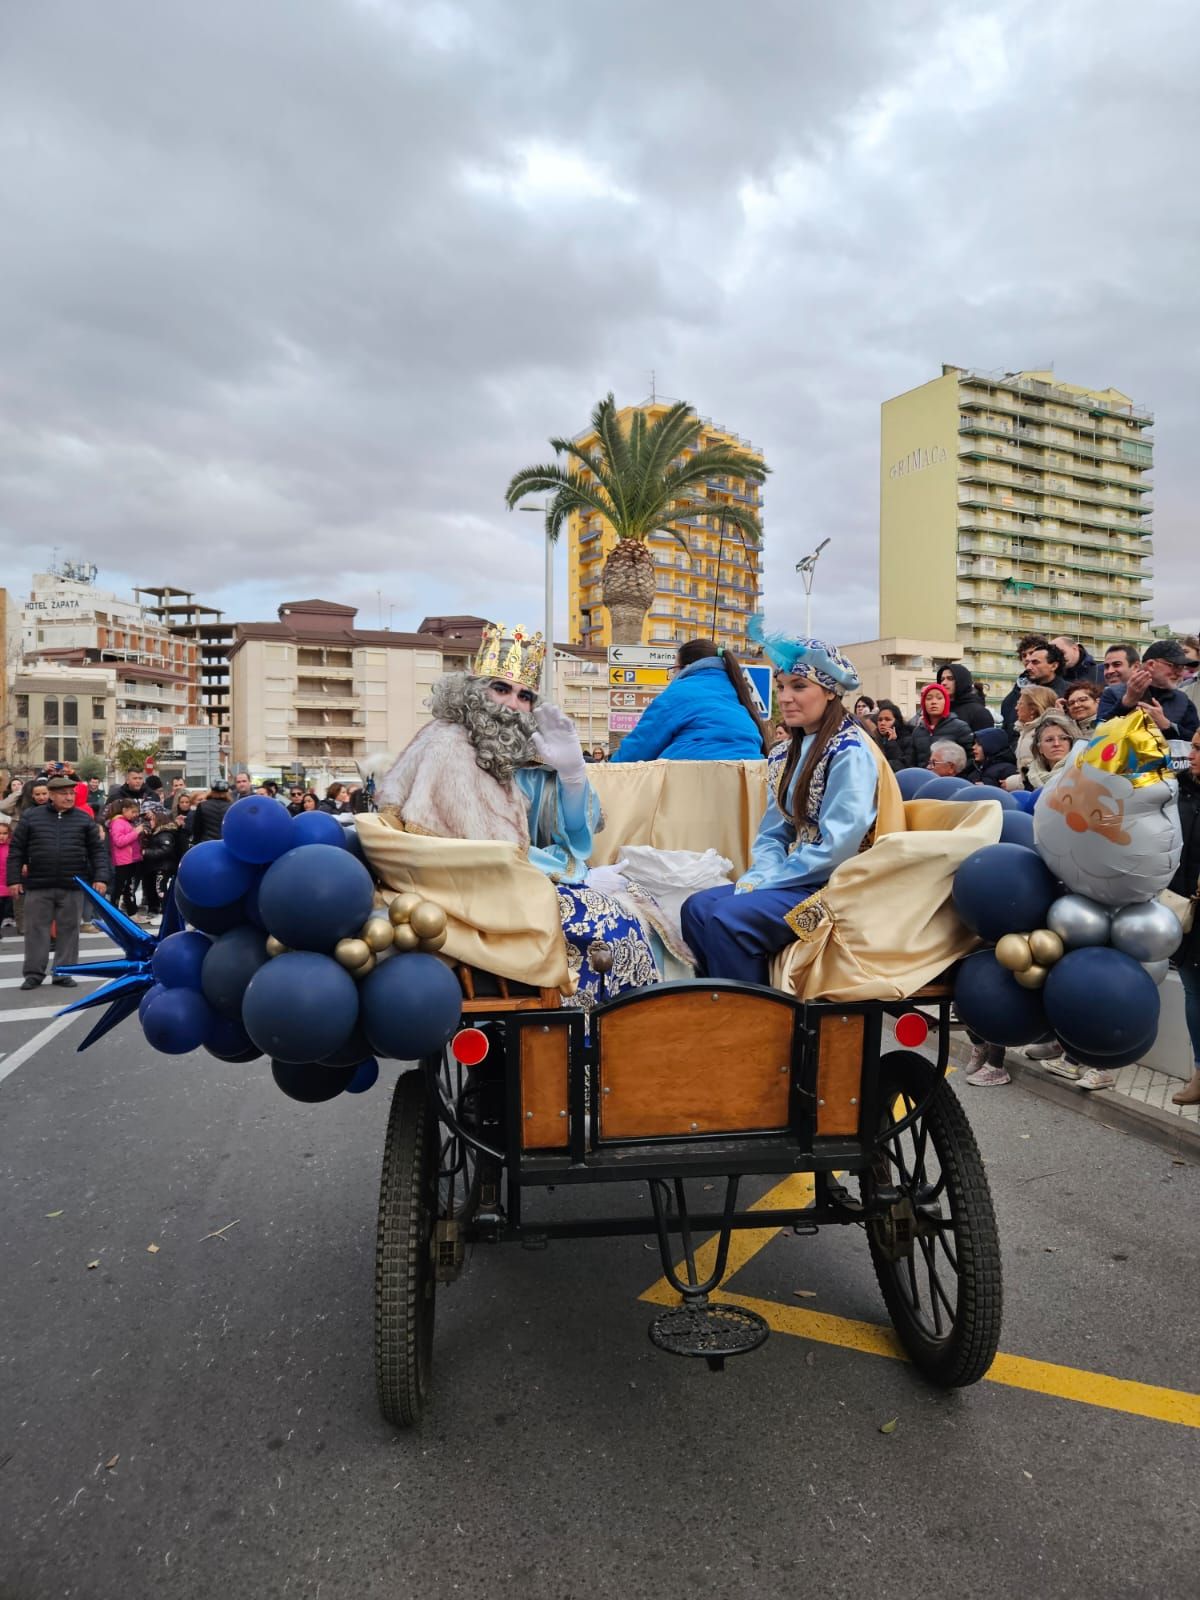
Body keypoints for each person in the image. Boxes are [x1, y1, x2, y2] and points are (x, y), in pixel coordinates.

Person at [378, 622, 658, 1007]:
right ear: (471, 693)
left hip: (515, 885)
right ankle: (584, 1044)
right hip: (476, 900)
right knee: (612, 923)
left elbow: (574, 832)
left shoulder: (522, 753)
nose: (513, 704)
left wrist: (573, 777)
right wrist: (581, 876)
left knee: (642, 896)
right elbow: (485, 850)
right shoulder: (450, 747)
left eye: (524, 695)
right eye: (501, 689)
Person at [680, 634, 878, 985]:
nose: (785, 697)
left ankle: (756, 1026)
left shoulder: (850, 752)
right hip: (793, 882)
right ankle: (718, 1015)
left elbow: (838, 848)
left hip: (834, 892)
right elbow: (774, 832)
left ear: (830, 691)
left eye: (799, 686)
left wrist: (770, 881)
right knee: (695, 908)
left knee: (728, 918)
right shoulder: (785, 754)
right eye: (781, 686)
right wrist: (760, 875)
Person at [6, 775, 108, 989]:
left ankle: (64, 972)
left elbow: (97, 851)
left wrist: (100, 877)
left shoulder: (83, 819)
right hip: (38, 884)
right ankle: (34, 974)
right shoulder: (31, 817)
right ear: (51, 796)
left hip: (72, 884)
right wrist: (14, 879)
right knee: (36, 931)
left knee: (69, 930)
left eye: (72, 793)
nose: (69, 797)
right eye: (64, 794)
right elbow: (16, 850)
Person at [608, 638, 768, 763]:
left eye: (674, 669)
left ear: (686, 667)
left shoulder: (678, 693)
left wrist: (607, 774)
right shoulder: (737, 693)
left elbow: (638, 748)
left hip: (689, 789)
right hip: (746, 790)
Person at [1168, 729, 1200, 1105]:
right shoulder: (1178, 791)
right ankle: (1198, 1072)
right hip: (1186, 906)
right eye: (1192, 747)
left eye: (1199, 750)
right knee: (1194, 990)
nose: (1191, 755)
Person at [1094, 639, 1199, 741]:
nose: (1179, 673)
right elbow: (1099, 733)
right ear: (1151, 665)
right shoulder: (1113, 693)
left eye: (1182, 668)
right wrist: (1126, 704)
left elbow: (1195, 739)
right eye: (1174, 666)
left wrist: (1167, 726)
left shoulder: (1183, 700)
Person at [1000, 638, 1068, 734]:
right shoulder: (1017, 692)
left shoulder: (1068, 693)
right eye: (1024, 656)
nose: (1028, 666)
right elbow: (1009, 727)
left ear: (1053, 666)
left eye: (1035, 662)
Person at [1006, 710, 1081, 792]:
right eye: (1049, 740)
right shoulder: (1030, 776)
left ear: (1071, 743)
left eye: (1063, 738)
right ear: (1039, 748)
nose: (1056, 744)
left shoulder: (1082, 774)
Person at [910, 684, 974, 769]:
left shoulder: (960, 727)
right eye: (929, 698)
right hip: (924, 779)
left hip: (951, 780)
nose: (933, 702)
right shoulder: (917, 731)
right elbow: (912, 761)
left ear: (946, 702)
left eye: (939, 698)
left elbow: (972, 758)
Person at [107, 798, 147, 917]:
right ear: (124, 810)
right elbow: (119, 841)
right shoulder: (118, 822)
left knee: (128, 888)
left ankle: (131, 912)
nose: (135, 815)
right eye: (133, 812)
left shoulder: (126, 822)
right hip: (124, 861)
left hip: (131, 859)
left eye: (136, 812)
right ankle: (114, 912)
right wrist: (136, 832)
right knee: (121, 888)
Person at [1010, 686, 1060, 771]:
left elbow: (1036, 775)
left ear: (1032, 709)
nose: (1016, 708)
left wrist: (1012, 782)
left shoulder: (1039, 734)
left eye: (1020, 704)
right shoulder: (1027, 731)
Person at [936, 664, 995, 734]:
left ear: (962, 681)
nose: (944, 683)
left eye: (950, 678)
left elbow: (984, 743)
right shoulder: (940, 709)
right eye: (942, 679)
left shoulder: (979, 712)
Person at [873, 699, 915, 772]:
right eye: (880, 720)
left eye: (887, 719)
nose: (882, 723)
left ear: (897, 721)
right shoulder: (874, 739)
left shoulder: (909, 740)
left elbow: (902, 766)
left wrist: (891, 742)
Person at [191, 779, 232, 843]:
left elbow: (196, 829)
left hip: (207, 844)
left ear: (212, 791)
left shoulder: (202, 806)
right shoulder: (232, 807)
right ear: (227, 792)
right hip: (226, 844)